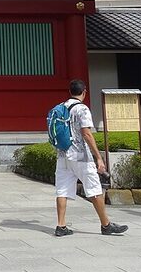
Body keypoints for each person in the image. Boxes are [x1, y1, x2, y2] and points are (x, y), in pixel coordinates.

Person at [54, 79, 128, 237]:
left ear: (69, 91)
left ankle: (61, 225)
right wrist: (98, 157)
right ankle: (106, 224)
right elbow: (86, 133)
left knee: (62, 190)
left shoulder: (60, 107)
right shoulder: (82, 109)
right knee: (94, 189)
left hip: (63, 155)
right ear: (84, 92)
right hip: (81, 155)